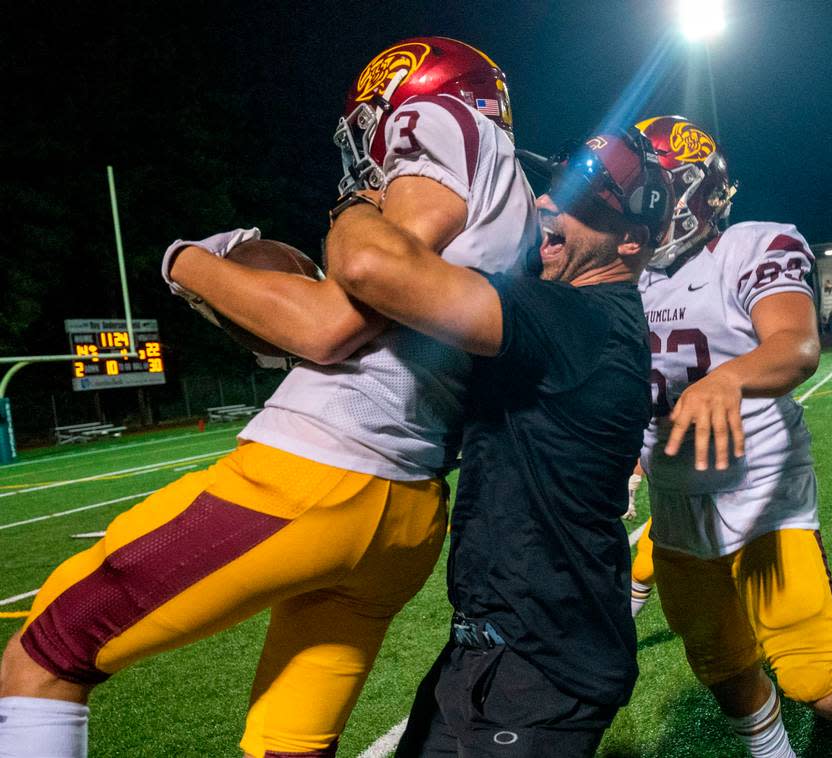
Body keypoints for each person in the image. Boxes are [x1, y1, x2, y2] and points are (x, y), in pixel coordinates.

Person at [0, 37, 537, 758]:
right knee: (287, 744)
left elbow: (329, 325)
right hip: (409, 512)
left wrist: (185, 262)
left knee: (42, 656)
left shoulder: (440, 121)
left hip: (317, 474)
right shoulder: (521, 211)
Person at [324, 130, 672, 755]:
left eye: (582, 203)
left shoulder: (579, 318)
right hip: (494, 647)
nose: (546, 206)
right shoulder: (578, 316)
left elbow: (369, 267)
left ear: (631, 241)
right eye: (554, 191)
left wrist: (357, 198)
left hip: (545, 664)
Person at [632, 115, 832, 757]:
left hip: (761, 495)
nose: (626, 208)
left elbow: (796, 346)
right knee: (721, 669)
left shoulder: (751, 245)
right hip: (673, 503)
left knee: (819, 680)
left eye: (641, 191)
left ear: (688, 194)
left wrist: (729, 380)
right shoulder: (619, 271)